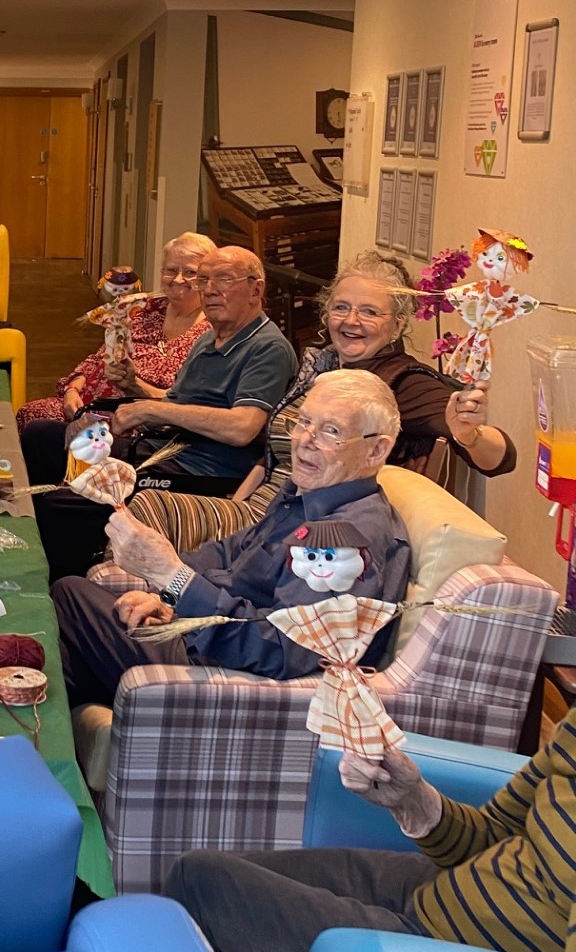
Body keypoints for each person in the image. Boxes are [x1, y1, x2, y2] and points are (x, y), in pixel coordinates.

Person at [53, 369, 411, 708]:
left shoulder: (346, 538)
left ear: (377, 450)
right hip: (203, 633)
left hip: (226, 672)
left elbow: (282, 649)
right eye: (303, 422)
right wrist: (167, 595)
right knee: (64, 664)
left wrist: (174, 579)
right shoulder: (308, 496)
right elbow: (230, 552)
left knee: (70, 594)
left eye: (331, 431)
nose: (304, 441)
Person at [166, 708, 576, 952]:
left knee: (201, 882)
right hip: (434, 882)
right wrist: (414, 801)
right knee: (203, 876)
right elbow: (498, 830)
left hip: (457, 951)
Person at [32, 245, 297, 580]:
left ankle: (59, 590)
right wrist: (134, 388)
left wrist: (149, 411)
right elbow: (175, 402)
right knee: (41, 436)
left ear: (255, 289)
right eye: (205, 280)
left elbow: (243, 427)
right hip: (154, 447)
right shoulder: (209, 340)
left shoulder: (267, 348)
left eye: (224, 280)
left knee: (58, 505)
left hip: (195, 473)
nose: (210, 289)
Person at [231, 249, 516, 511]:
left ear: (398, 324)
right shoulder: (322, 364)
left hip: (311, 539)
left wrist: (470, 435)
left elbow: (502, 460)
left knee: (183, 519)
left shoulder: (404, 384)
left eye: (369, 312)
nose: (351, 320)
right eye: (341, 307)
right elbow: (273, 454)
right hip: (260, 515)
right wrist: (237, 503)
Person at [17, 232, 214, 472]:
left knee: (43, 430)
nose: (178, 279)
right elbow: (100, 357)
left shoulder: (211, 332)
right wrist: (72, 388)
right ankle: (41, 498)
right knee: (33, 412)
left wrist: (135, 385)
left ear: (207, 279)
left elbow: (183, 403)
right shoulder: (144, 309)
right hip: (89, 403)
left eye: (190, 272)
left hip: (134, 422)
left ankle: (65, 497)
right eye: (171, 270)